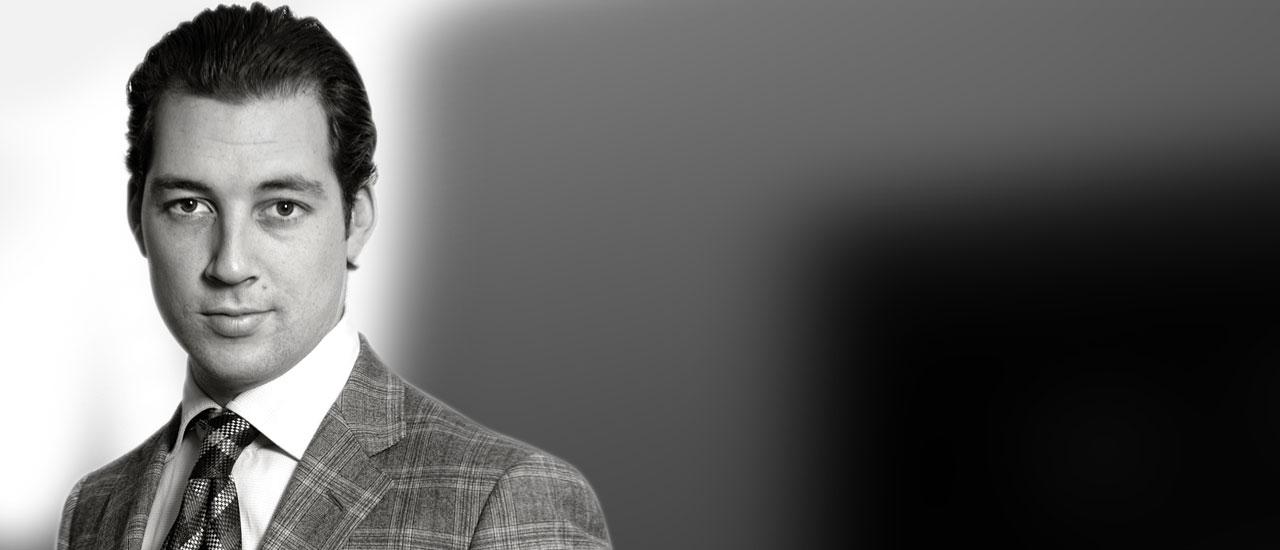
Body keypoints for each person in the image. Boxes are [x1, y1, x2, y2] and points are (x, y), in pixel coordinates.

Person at [56, 4, 611, 549]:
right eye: (190, 206)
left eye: (282, 208)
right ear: (137, 215)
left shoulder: (507, 498)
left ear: (356, 219)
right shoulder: (94, 508)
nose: (230, 265)